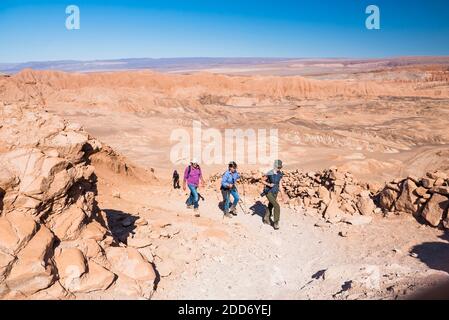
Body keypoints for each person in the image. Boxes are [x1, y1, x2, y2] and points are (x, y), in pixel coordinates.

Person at [260, 160, 285, 230]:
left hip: (275, 192)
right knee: (277, 206)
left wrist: (283, 195)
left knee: (270, 205)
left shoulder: (280, 174)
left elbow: (280, 185)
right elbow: (262, 180)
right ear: (275, 166)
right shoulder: (270, 173)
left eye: (280, 167)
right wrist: (268, 184)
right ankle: (276, 222)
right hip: (268, 191)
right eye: (278, 167)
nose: (279, 169)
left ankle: (266, 218)